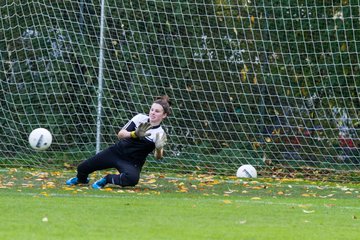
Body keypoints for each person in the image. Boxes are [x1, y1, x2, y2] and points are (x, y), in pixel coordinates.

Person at [66, 95, 171, 189]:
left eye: (157, 111)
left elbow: (158, 157)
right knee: (82, 168)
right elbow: (121, 134)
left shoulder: (160, 133)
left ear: (164, 115)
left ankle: (107, 179)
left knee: (132, 180)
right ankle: (81, 180)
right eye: (152, 109)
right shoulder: (139, 118)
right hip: (116, 152)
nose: (152, 113)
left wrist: (158, 148)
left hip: (132, 163)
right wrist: (134, 134)